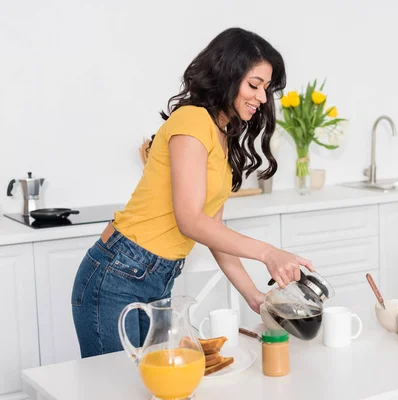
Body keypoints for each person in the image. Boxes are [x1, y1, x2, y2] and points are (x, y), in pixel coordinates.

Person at [71, 27, 313, 358]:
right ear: (227, 75)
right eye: (254, 85)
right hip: (117, 274)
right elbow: (190, 221)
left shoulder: (221, 135)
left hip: (156, 278)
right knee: (117, 389)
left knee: (150, 386)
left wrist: (253, 295)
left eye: (266, 89)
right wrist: (269, 253)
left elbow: (213, 231)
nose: (261, 97)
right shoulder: (192, 120)